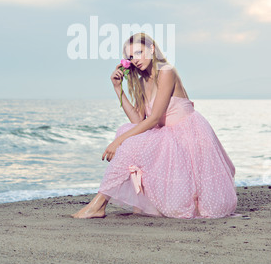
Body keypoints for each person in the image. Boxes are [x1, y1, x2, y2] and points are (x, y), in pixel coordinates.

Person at [72, 33, 237, 219]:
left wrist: (118, 142)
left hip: (185, 133)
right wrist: (118, 89)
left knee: (127, 141)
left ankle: (98, 205)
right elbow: (138, 120)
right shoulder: (143, 80)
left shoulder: (166, 71)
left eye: (139, 52)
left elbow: (155, 117)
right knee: (126, 131)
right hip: (164, 132)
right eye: (131, 56)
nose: (135, 60)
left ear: (151, 49)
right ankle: (100, 204)